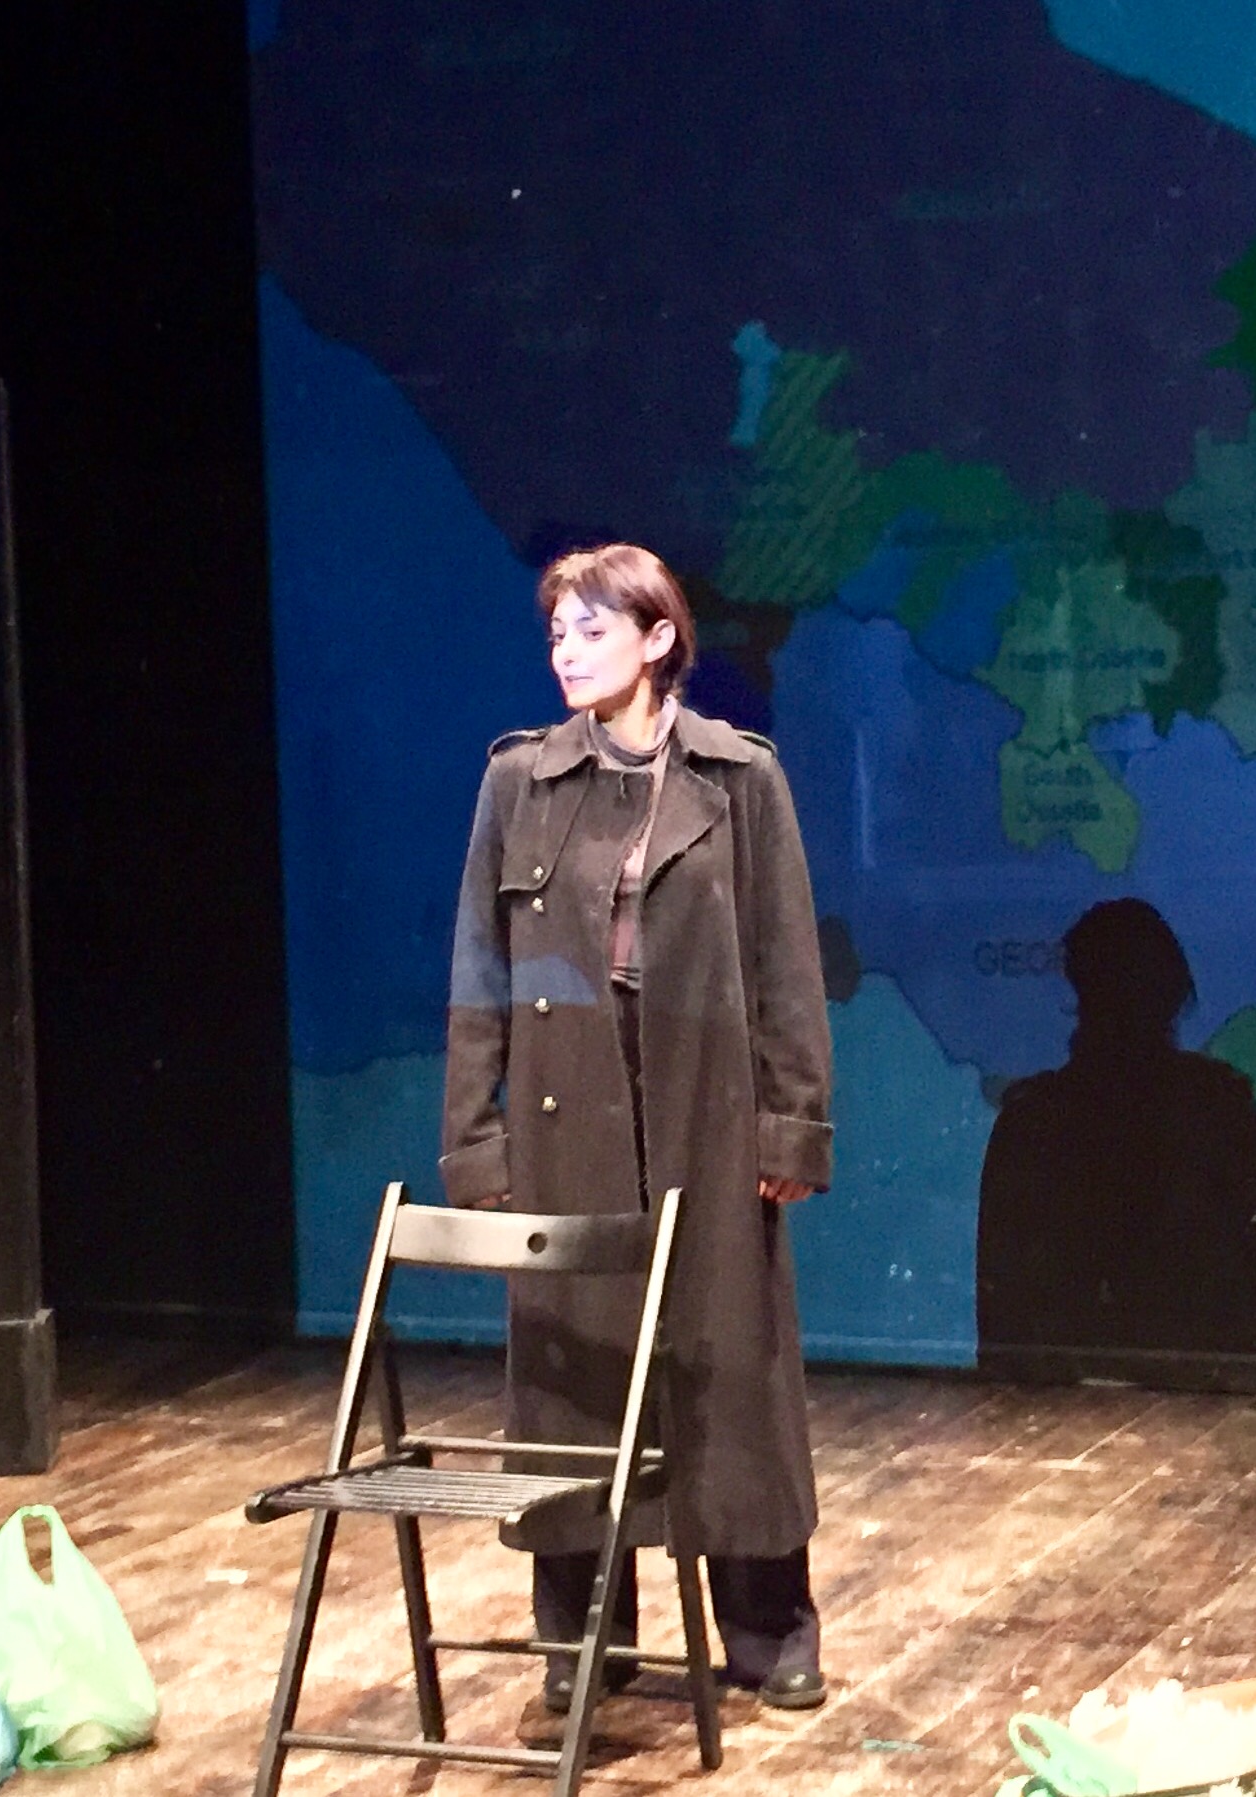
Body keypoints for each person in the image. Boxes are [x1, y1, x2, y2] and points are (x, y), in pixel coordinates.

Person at [439, 543, 835, 1730]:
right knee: (571, 1378)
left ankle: (768, 1631)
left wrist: (790, 1125)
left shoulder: (737, 779)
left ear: (658, 639)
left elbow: (786, 965)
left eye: (592, 631)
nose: (566, 654)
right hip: (565, 1115)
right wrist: (475, 1142)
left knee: (729, 1369)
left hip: (704, 1113)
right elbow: (480, 970)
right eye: (556, 634)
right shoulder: (519, 782)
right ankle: (581, 1643)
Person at [976, 898, 1256, 1387]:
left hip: (1114, 1394)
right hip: (1202, 1388)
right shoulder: (1218, 1105)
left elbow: (1005, 1319)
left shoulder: (1032, 1118)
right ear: (1173, 993)